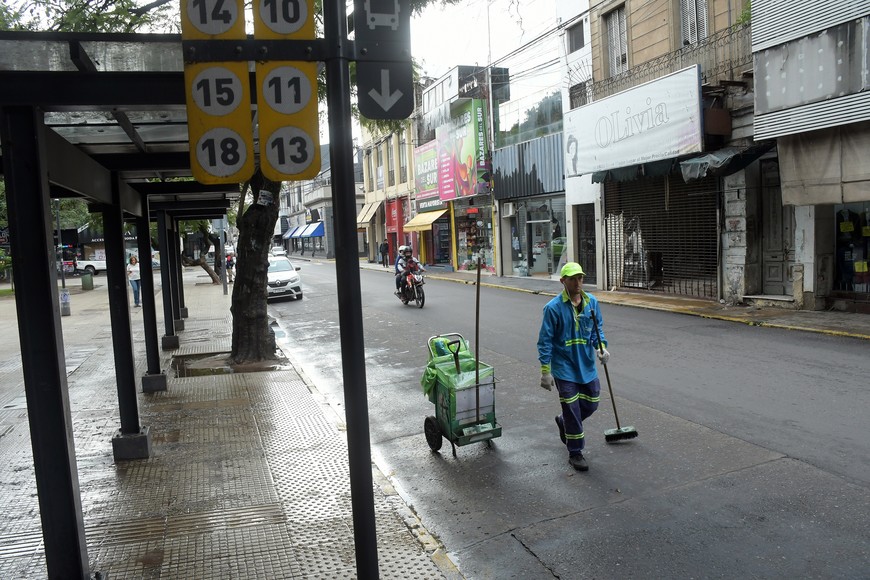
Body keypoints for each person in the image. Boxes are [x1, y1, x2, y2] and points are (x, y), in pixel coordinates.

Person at [536, 262, 609, 472]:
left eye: (580, 278)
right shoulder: (553, 308)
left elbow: (597, 330)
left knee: (592, 403)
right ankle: (575, 452)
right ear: (563, 281)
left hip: (586, 365)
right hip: (564, 368)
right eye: (572, 279)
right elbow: (545, 341)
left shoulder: (591, 303)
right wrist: (545, 371)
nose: (578, 283)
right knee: (572, 408)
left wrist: (601, 348)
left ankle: (564, 422)